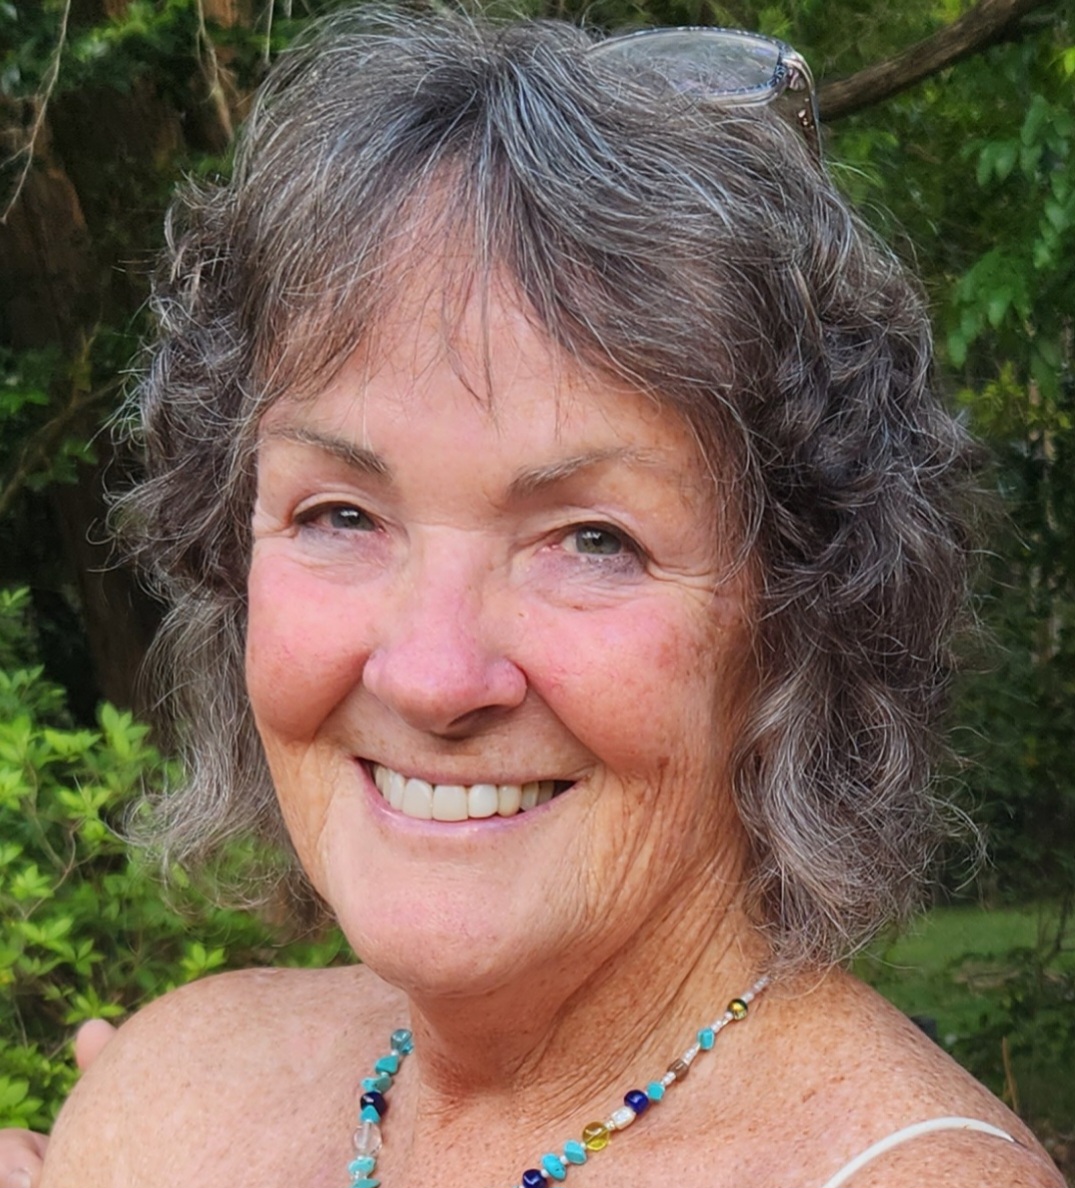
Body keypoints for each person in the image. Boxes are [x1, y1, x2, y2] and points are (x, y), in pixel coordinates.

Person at [8, 9, 1066, 1188]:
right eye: (340, 515)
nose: (432, 674)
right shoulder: (169, 1095)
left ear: (795, 615)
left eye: (591, 541)